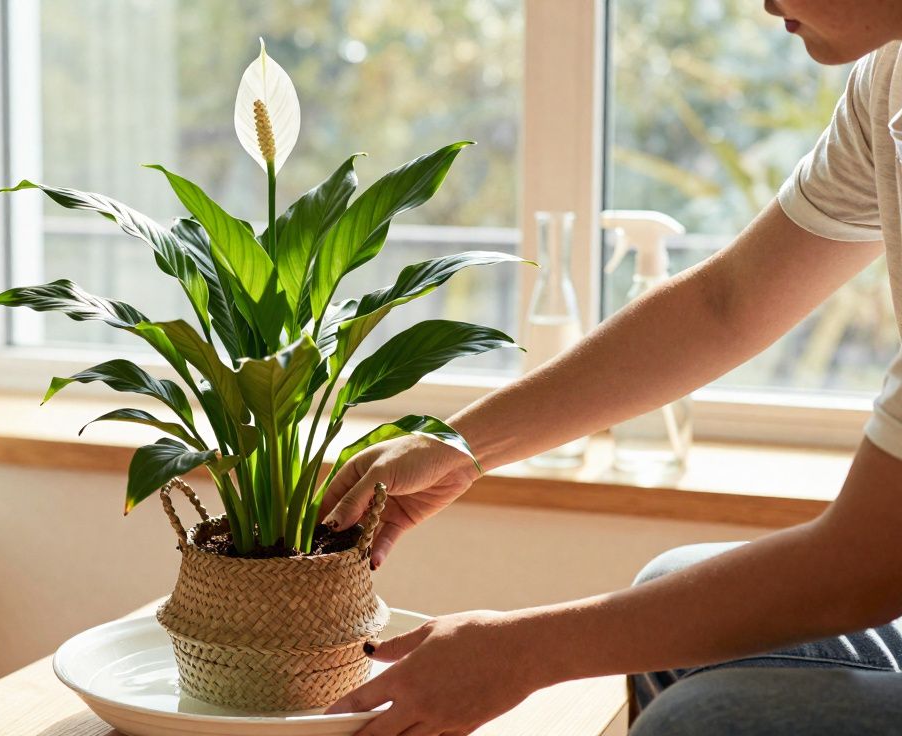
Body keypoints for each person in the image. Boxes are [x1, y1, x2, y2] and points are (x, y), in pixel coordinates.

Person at [320, 2, 902, 734]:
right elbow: (726, 303)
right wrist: (459, 447)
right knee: (669, 596)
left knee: (705, 720)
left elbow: (869, 562)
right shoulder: (889, 76)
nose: (764, 3)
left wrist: (519, 653)